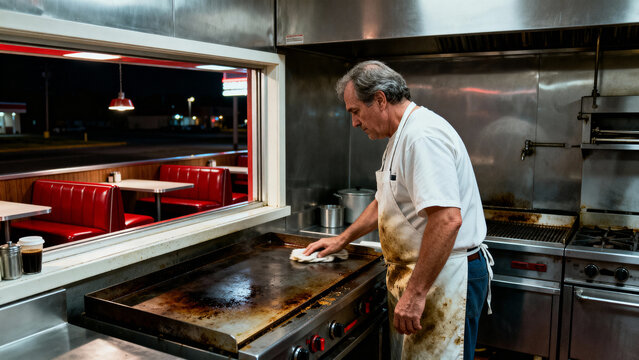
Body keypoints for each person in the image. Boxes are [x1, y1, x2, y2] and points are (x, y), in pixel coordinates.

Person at [303, 60, 493, 360]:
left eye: (355, 111)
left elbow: (447, 220)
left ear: (380, 100)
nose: (354, 122)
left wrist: (415, 294)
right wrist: (343, 239)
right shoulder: (401, 136)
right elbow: (385, 201)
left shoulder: (421, 137)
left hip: (445, 279)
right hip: (428, 276)